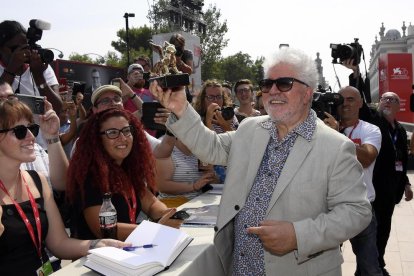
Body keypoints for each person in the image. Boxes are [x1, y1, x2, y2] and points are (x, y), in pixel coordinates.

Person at [150, 47, 372, 275]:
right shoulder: (250, 128)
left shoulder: (335, 146)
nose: (273, 91)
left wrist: (298, 235)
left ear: (307, 93)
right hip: (240, 268)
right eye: (267, 84)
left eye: (284, 83)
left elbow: (356, 211)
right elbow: (212, 147)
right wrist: (181, 108)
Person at [0, 98, 128, 275]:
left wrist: (97, 244)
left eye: (32, 129)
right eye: (20, 131)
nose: (31, 137)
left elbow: (59, 243)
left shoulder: (38, 181)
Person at [66, 108, 183, 241]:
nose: (122, 138)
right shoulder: (90, 176)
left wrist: (167, 214)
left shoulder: (127, 168)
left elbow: (151, 204)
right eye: (112, 133)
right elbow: (103, 230)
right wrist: (154, 229)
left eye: (126, 131)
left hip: (125, 251)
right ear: (97, 139)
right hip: (96, 258)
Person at [344, 60, 414, 275]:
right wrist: (356, 75)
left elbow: (402, 158)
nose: (385, 102)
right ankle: (372, 267)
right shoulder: (374, 123)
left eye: (391, 100)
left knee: (384, 230)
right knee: (370, 234)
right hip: (374, 188)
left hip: (391, 190)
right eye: (383, 99)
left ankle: (378, 263)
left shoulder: (400, 131)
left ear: (397, 105)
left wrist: (407, 184)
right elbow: (361, 101)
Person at [335, 86, 383, 275]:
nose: (345, 104)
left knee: (370, 268)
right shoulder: (320, 129)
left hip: (360, 206)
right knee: (324, 266)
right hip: (329, 207)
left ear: (361, 103)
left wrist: (337, 136)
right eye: (341, 100)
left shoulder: (370, 129)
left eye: (351, 99)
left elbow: (367, 158)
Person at [0, 81, 68, 191]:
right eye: (19, 131)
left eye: (10, 98)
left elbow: (63, 185)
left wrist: (52, 137)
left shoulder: (35, 150)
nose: (31, 136)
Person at [0, 20, 62, 113]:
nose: (22, 53)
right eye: (15, 48)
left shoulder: (40, 66)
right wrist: (11, 70)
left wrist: (39, 76)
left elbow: (57, 108)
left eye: (25, 47)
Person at [156, 139, 218, 206]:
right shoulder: (167, 150)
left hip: (198, 204)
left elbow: (215, 182)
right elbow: (162, 186)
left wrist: (211, 173)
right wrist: (193, 186)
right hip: (172, 205)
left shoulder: (200, 153)